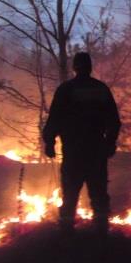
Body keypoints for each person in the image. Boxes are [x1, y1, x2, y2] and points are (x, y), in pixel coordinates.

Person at [42, 52, 121, 234]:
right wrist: (109, 143)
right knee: (99, 196)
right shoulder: (101, 89)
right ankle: (101, 236)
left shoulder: (66, 90)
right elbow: (114, 121)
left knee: (70, 195)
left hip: (73, 153)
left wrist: (49, 142)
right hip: (96, 152)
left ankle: (66, 236)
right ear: (90, 67)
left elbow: (54, 119)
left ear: (75, 67)